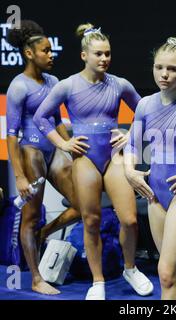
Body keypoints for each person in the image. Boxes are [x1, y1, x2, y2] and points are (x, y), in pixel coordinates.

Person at [33, 23, 153, 300]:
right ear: (84, 56)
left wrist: (129, 135)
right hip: (85, 158)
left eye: (108, 53)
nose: (104, 59)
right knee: (91, 220)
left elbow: (145, 111)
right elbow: (41, 117)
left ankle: (130, 268)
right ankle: (97, 281)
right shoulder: (68, 86)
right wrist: (63, 143)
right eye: (98, 54)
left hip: (112, 158)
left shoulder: (120, 84)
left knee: (130, 219)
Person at [124, 37, 176, 299]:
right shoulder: (145, 104)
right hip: (155, 196)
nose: (164, 74)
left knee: (166, 273)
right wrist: (129, 171)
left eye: (171, 69)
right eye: (159, 67)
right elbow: (132, 146)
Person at [6, 20, 81, 295]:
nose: (51, 55)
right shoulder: (18, 87)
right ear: (29, 53)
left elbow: (57, 119)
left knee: (82, 205)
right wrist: (20, 176)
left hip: (53, 151)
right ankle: (36, 279)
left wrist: (69, 146)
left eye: (52, 50)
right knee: (31, 214)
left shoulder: (54, 82)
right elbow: (11, 136)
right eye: (46, 51)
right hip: (31, 152)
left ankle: (43, 233)